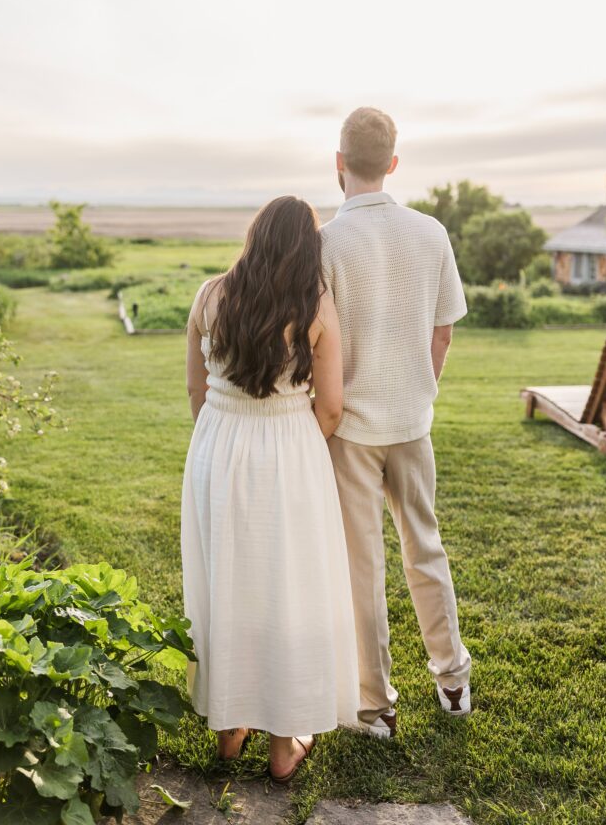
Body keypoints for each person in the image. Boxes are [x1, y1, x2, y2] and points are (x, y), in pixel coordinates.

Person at [181, 196, 359, 782]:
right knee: (289, 584)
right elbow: (330, 409)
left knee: (227, 578)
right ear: (310, 250)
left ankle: (230, 726)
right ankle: (285, 745)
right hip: (289, 450)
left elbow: (197, 390)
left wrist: (222, 437)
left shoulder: (210, 296)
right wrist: (296, 444)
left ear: (253, 237)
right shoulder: (316, 307)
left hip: (218, 446)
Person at [321, 107, 471, 739]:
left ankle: (374, 702)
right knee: (425, 545)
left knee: (363, 564)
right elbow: (443, 329)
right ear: (393, 163)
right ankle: (452, 678)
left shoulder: (325, 242)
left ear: (338, 164)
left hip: (350, 428)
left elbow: (316, 342)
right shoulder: (431, 233)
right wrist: (421, 388)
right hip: (411, 416)